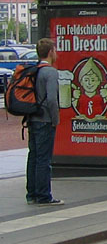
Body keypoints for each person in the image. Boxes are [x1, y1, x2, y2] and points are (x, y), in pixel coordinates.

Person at [25, 38, 63, 206]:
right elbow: (52, 100)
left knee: (33, 156)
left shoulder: (34, 70)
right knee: (44, 159)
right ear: (50, 53)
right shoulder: (51, 72)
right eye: (54, 50)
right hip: (45, 119)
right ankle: (43, 195)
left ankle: (31, 193)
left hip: (32, 118)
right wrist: (55, 119)